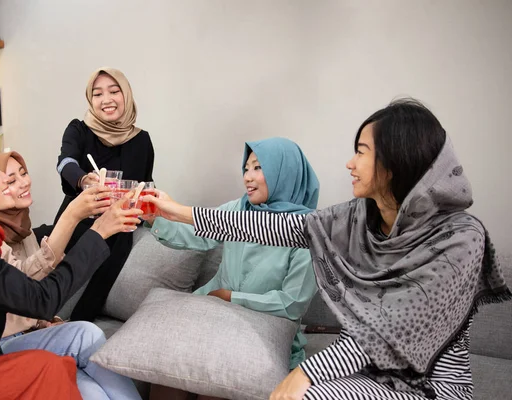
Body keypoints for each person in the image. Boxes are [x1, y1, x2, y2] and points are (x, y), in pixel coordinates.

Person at [144, 99, 510, 400]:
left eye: (362, 152)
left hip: (427, 388)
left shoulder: (461, 238)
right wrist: (174, 210)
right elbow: (278, 227)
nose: (350, 163)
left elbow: (390, 326)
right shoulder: (356, 217)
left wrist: (305, 373)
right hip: (368, 373)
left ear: (396, 160)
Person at [0, 136, 141, 399]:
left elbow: (22, 293)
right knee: (49, 370)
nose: (5, 181)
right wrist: (98, 230)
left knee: (81, 340)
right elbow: (39, 298)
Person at [148, 138, 320, 400]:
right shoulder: (238, 210)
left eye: (258, 168)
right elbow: (195, 233)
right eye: (246, 168)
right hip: (210, 314)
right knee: (163, 370)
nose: (248, 178)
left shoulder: (306, 232)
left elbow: (292, 303)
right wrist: (154, 218)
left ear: (284, 173)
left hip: (261, 333)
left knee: (216, 384)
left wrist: (231, 297)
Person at [0, 150, 142, 400]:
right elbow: (22, 289)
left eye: (24, 173)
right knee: (87, 333)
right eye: (10, 180)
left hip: (28, 335)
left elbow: (32, 300)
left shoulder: (25, 230)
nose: (24, 182)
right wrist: (73, 214)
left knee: (92, 391)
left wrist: (45, 322)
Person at [54, 67, 155, 322]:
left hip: (120, 225)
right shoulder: (78, 129)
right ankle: (43, 321)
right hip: (79, 218)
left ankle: (77, 328)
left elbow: (144, 185)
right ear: (91, 99)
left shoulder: (142, 140)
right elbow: (64, 162)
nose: (106, 100)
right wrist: (84, 178)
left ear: (126, 95)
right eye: (97, 94)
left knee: (117, 246)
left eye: (114, 91)